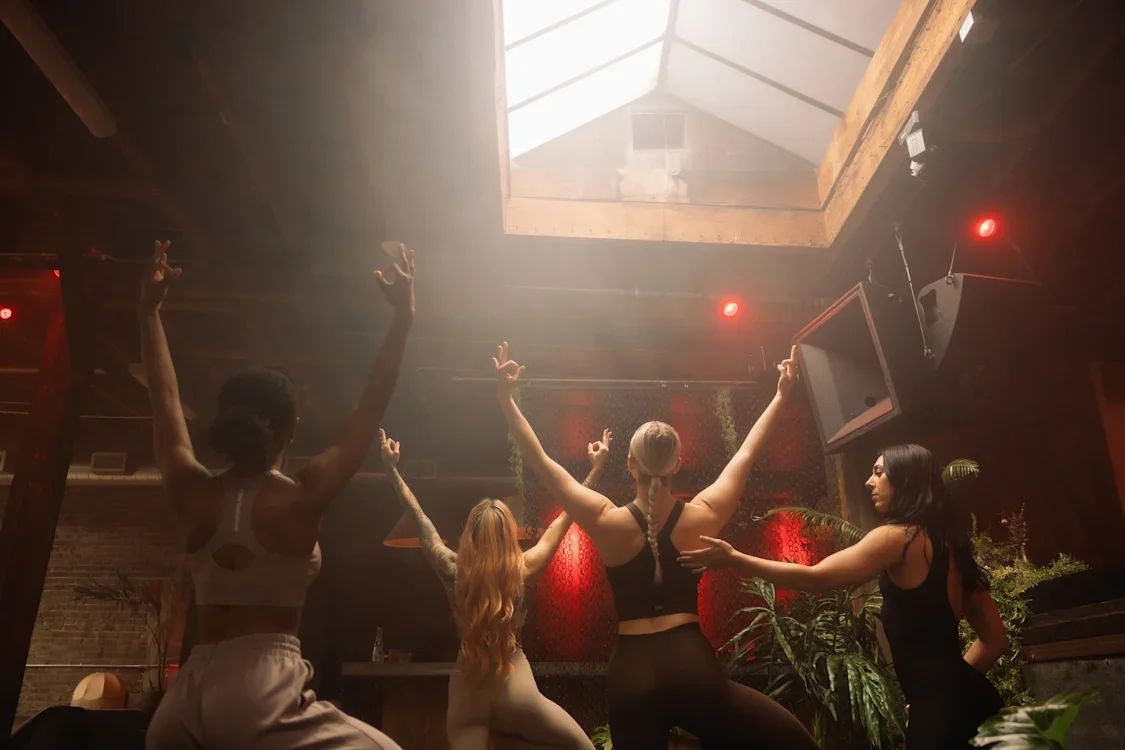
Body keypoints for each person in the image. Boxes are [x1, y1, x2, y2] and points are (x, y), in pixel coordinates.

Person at [141, 239, 414, 750]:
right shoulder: (300, 498)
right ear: (291, 429)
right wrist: (402, 318)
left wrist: (149, 313)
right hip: (258, 695)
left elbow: (164, 400)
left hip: (181, 705)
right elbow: (371, 402)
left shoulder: (193, 491)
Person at [494, 342, 818, 750]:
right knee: (794, 740)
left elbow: (540, 459)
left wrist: (506, 398)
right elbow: (747, 453)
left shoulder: (607, 521)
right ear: (677, 465)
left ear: (629, 464)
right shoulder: (701, 515)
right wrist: (780, 395)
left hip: (631, 675)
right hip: (691, 666)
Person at [679, 443, 1007, 750]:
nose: (868, 482)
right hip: (979, 703)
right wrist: (941, 692)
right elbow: (994, 640)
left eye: (879, 472)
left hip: (940, 719)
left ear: (906, 479)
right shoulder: (953, 547)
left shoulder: (899, 539)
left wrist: (735, 558)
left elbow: (817, 577)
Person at [378, 427, 607, 750]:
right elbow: (565, 517)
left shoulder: (452, 568)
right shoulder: (526, 567)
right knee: (582, 748)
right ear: (508, 535)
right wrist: (595, 471)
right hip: (515, 686)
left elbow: (419, 519)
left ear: (470, 534)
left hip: (466, 692)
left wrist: (391, 470)